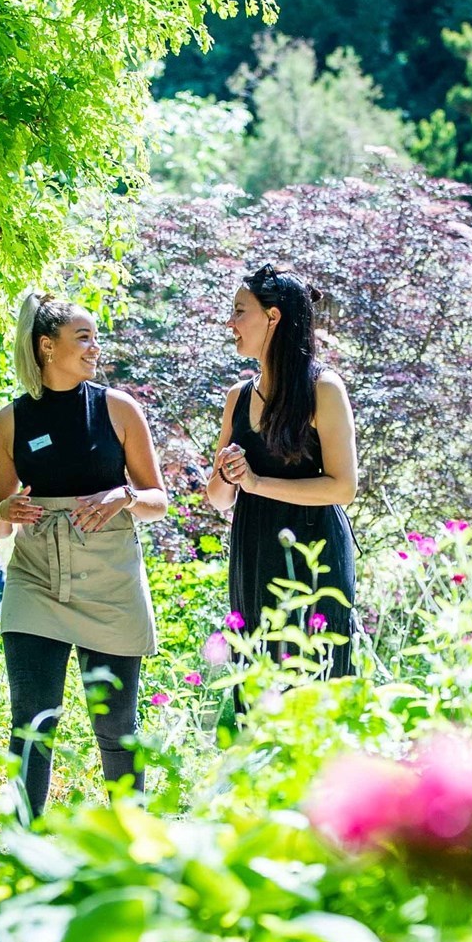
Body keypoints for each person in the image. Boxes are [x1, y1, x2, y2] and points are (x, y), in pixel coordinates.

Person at [0, 290, 168, 818]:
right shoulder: (10, 422)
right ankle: (23, 852)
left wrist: (123, 497)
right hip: (36, 577)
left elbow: (158, 501)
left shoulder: (119, 409)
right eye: (83, 337)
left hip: (109, 579)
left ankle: (130, 846)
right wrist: (4, 515)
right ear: (47, 346)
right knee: (33, 720)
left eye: (95, 337)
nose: (94, 347)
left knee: (116, 726)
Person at [206, 263, 359, 676]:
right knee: (256, 678)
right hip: (253, 547)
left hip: (314, 549)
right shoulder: (237, 396)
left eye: (240, 311)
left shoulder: (323, 388)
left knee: (316, 681)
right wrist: (225, 472)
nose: (230, 322)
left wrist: (256, 482)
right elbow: (219, 499)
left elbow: (343, 488)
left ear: (273, 316)